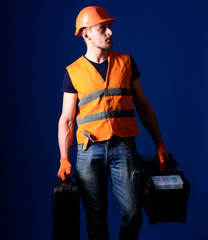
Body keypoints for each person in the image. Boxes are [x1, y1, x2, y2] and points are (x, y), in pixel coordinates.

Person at [57, 6, 169, 240]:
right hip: (89, 152)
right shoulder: (73, 71)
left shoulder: (126, 62)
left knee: (133, 213)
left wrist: (159, 142)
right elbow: (67, 119)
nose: (110, 32)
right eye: (103, 28)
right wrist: (64, 157)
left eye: (110, 27)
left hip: (124, 148)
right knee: (95, 220)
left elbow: (144, 106)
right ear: (86, 34)